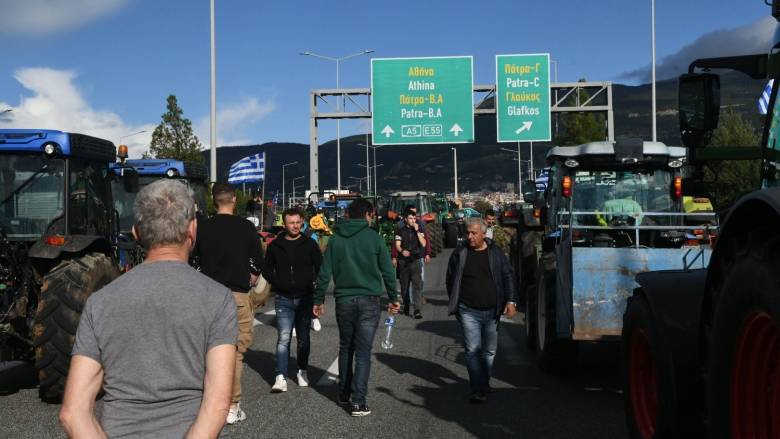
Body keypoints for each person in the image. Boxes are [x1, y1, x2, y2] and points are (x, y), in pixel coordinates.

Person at [60, 180, 236, 438]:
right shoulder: (218, 299)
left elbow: (73, 413)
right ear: (192, 229)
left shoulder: (100, 302)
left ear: (136, 233)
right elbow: (217, 405)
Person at [313, 198, 400, 417]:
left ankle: (344, 393)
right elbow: (388, 271)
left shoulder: (336, 239)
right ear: (368, 215)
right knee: (363, 352)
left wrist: (318, 300)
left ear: (349, 215)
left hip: (344, 301)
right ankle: (358, 401)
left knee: (346, 347)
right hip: (369, 300)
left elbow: (325, 272)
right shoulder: (374, 238)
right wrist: (394, 297)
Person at [192, 183, 264, 425]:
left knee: (208, 349)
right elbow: (258, 261)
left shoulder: (202, 227)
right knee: (235, 351)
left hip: (208, 295)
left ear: (214, 201)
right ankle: (232, 406)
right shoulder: (246, 227)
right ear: (234, 199)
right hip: (237, 294)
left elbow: (193, 260)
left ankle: (207, 401)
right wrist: (250, 276)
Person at [446, 217, 517, 403]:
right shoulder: (460, 253)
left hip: (492, 311)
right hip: (467, 310)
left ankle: (484, 382)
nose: (469, 236)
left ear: (484, 234)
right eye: (467, 233)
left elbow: (508, 276)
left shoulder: (495, 253)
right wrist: (456, 303)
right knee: (472, 350)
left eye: (474, 233)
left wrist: (511, 300)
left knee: (489, 351)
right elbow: (450, 279)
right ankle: (478, 389)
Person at [264, 208, 322, 393]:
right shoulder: (275, 246)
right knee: (284, 337)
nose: (295, 226)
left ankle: (302, 370)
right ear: (284, 224)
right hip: (283, 298)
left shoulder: (310, 244)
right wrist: (277, 283)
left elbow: (320, 267)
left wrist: (316, 291)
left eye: (298, 222)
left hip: (305, 297)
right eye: (291, 223)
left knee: (304, 338)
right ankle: (280, 376)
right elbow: (267, 269)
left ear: (302, 222)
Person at [394, 207, 427, 319]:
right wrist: (402, 251)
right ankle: (406, 303)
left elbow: (423, 244)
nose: (413, 220)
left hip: (416, 260)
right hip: (403, 261)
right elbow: (397, 245)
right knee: (404, 286)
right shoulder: (400, 230)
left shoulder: (419, 229)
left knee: (417, 286)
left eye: (414, 218)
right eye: (410, 218)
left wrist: (417, 231)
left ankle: (417, 309)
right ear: (405, 219)